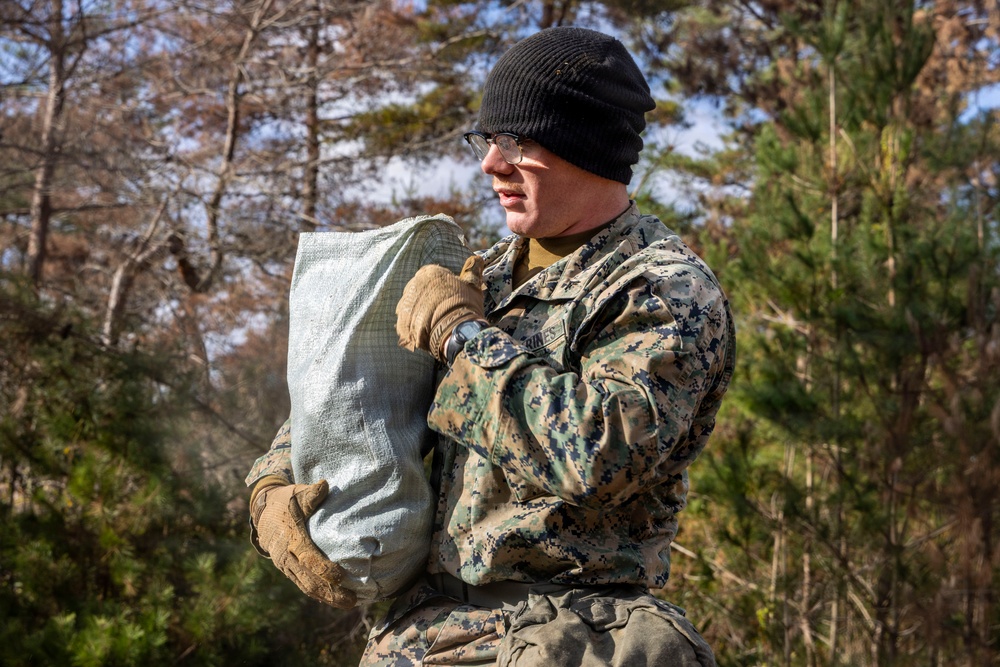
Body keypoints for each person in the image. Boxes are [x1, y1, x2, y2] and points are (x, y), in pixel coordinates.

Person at [246, 26, 735, 666]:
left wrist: (463, 338)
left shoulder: (661, 289)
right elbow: (354, 403)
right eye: (487, 140)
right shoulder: (484, 274)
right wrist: (272, 488)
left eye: (515, 142)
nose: (490, 164)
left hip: (570, 637)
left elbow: (596, 456)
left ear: (584, 145)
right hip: (420, 638)